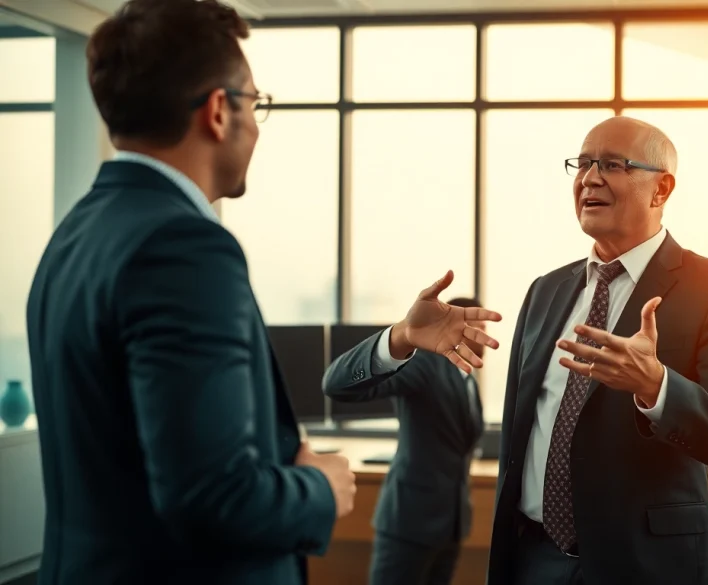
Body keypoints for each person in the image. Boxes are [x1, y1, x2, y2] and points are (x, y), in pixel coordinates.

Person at [23, 1, 500, 584]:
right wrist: (319, 485)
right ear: (218, 111)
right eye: (255, 103)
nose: (256, 123)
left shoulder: (73, 234)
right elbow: (212, 495)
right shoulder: (184, 248)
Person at [486, 116, 708, 585]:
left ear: (661, 189)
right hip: (534, 560)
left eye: (613, 165)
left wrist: (657, 386)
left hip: (647, 568)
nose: (589, 178)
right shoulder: (545, 291)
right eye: (583, 164)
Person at [322, 297, 488, 585]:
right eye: (478, 327)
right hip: (410, 523)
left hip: (451, 527)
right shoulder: (424, 365)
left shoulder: (468, 378)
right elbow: (339, 387)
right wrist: (399, 338)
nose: (484, 335)